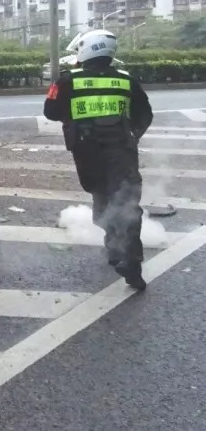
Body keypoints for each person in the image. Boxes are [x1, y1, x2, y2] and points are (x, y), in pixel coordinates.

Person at [42, 28, 153, 291]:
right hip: (122, 152)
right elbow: (145, 115)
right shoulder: (126, 80)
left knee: (102, 197)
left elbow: (51, 112)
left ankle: (118, 250)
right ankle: (128, 258)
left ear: (86, 49)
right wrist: (131, 136)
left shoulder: (67, 81)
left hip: (87, 153)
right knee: (127, 203)